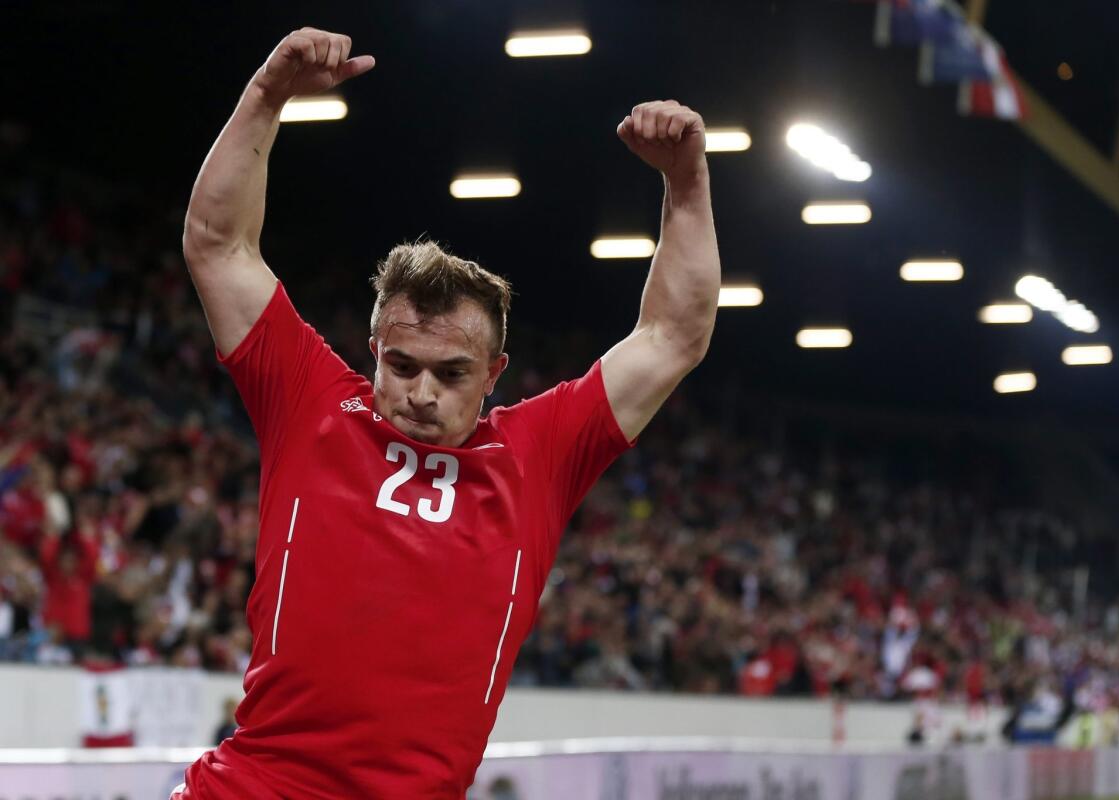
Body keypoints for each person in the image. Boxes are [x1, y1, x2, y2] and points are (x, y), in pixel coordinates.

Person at [174, 27, 719, 799]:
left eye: (451, 373)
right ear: (372, 349)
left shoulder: (540, 455)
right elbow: (217, 244)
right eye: (401, 365)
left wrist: (687, 185)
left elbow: (673, 336)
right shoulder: (311, 404)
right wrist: (266, 95)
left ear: (494, 374)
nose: (421, 392)